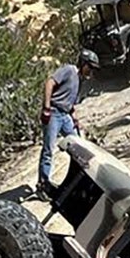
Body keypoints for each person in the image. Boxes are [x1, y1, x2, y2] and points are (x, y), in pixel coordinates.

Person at [37, 49, 97, 194]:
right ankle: (42, 185)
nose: (91, 70)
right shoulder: (69, 70)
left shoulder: (80, 80)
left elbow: (70, 103)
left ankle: (76, 181)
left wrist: (75, 117)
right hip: (54, 113)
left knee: (79, 147)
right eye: (90, 66)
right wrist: (46, 107)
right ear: (83, 63)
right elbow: (50, 82)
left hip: (65, 116)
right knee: (48, 149)